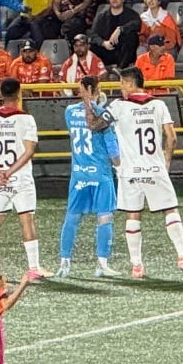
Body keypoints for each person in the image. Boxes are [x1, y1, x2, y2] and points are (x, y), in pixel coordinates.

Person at [108, 64, 183, 277]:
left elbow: (98, 125)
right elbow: (171, 137)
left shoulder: (118, 106)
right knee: (170, 210)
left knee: (133, 214)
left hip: (130, 171)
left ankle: (137, 266)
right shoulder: (159, 104)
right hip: (154, 168)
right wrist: (166, 162)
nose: (121, 88)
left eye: (122, 84)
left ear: (131, 83)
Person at [0, 77, 42, 279]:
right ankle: (34, 268)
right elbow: (29, 151)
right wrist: (10, 172)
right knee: (27, 221)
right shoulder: (26, 119)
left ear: (0, 94)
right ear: (19, 93)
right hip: (19, 179)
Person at [59, 76, 121, 279]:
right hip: (101, 173)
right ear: (96, 89)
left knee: (72, 217)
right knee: (104, 217)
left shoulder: (69, 112)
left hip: (79, 174)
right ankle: (102, 264)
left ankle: (64, 262)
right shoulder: (104, 114)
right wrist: (117, 161)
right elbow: (113, 152)